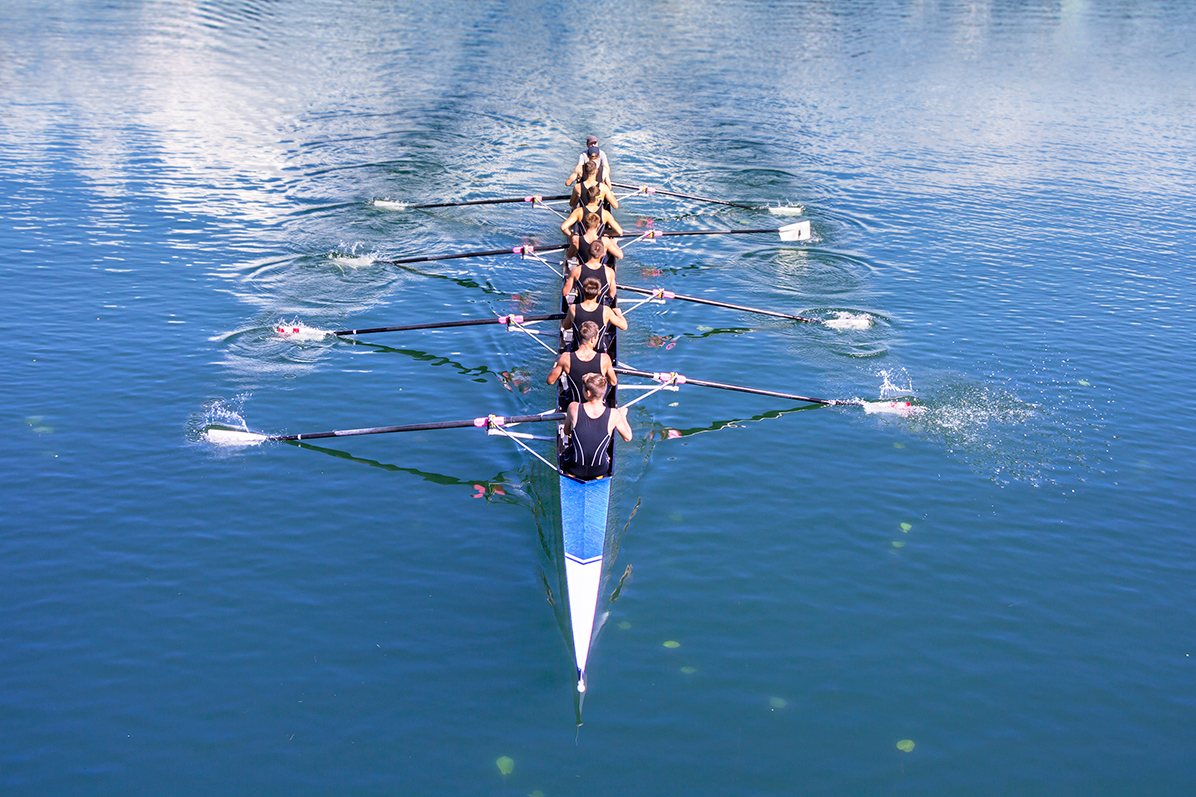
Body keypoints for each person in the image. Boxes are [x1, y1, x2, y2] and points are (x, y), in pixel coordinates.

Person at [562, 372, 633, 482]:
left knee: (569, 451)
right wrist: (622, 416)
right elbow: (628, 437)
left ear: (588, 393)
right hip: (599, 470)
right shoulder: (614, 414)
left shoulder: (573, 407)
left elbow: (566, 432)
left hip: (574, 468)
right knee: (604, 454)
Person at [547, 320, 618, 406]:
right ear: (592, 339)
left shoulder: (565, 358)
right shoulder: (604, 358)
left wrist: (556, 364)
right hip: (596, 408)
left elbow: (550, 381)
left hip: (574, 408)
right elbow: (613, 382)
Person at [562, 277, 626, 353]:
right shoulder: (606, 310)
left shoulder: (573, 308)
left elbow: (566, 327)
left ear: (582, 290)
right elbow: (624, 326)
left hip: (577, 351)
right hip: (598, 352)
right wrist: (619, 314)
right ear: (599, 292)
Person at [562, 238, 617, 304]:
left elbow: (565, 292)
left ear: (587, 251)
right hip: (600, 310)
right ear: (602, 255)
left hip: (580, 307)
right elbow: (612, 294)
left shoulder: (576, 270)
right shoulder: (610, 272)